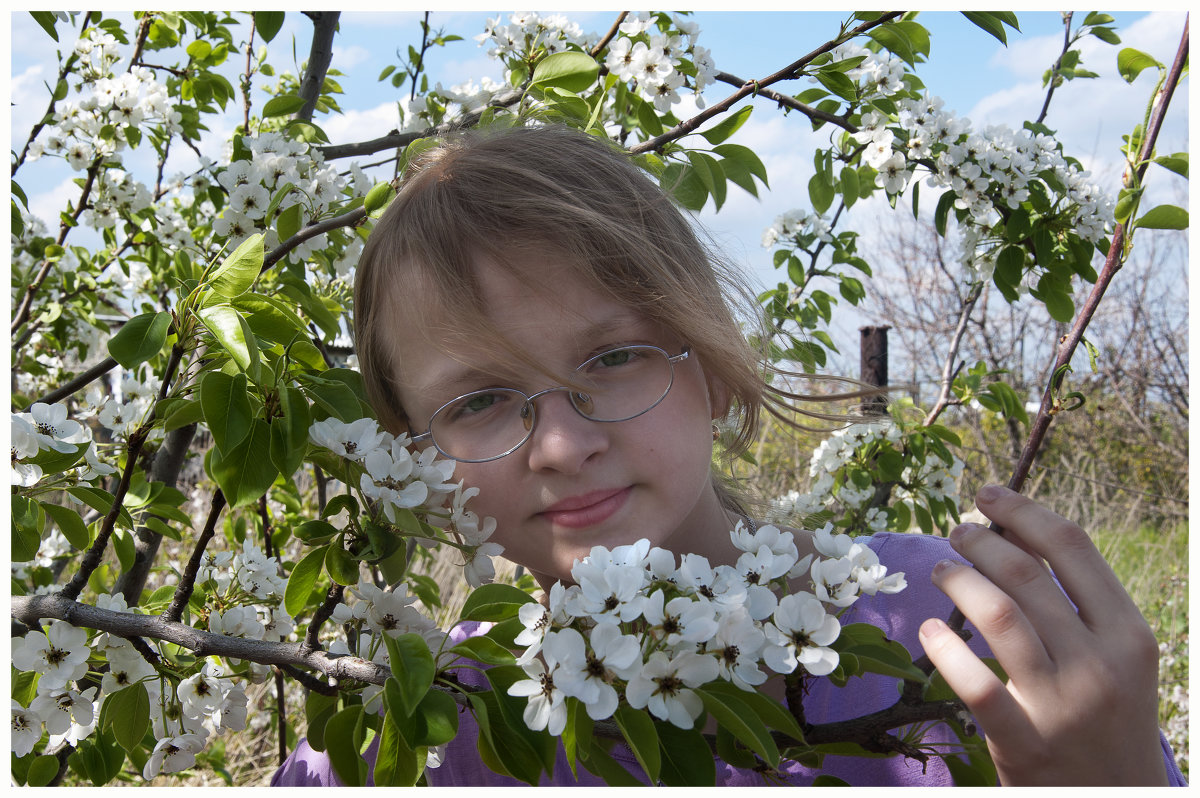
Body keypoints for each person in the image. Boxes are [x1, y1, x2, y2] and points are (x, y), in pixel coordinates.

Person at [272, 124, 1184, 786]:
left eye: (613, 358)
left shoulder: (961, 632)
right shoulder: (421, 733)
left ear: (710, 366)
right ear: (415, 460)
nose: (561, 444)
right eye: (477, 402)